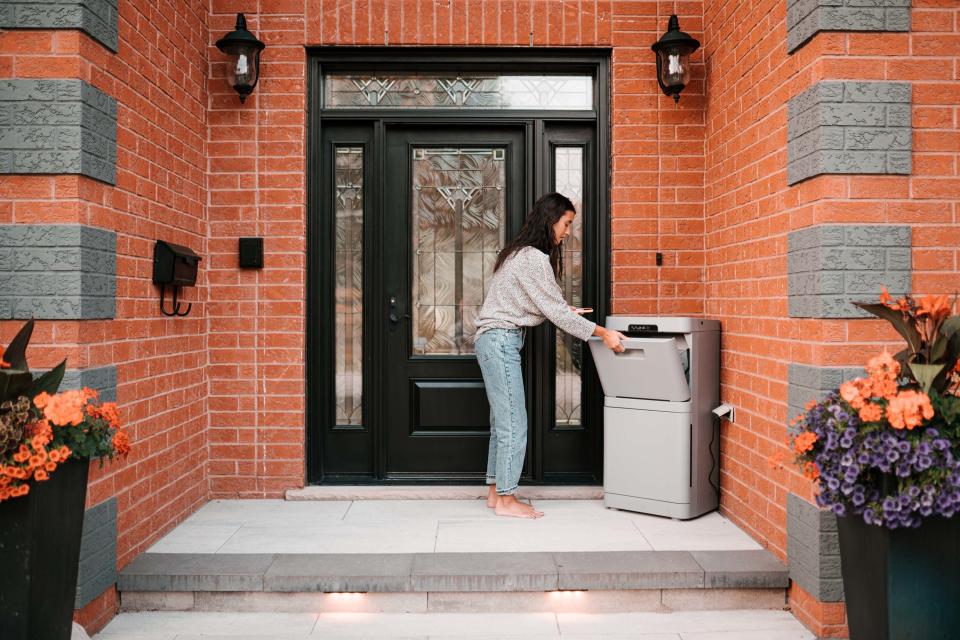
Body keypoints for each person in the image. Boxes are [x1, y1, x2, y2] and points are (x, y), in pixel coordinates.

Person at [474, 192, 627, 519]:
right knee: (514, 421)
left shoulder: (518, 253)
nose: (568, 231)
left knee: (502, 422)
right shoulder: (533, 258)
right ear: (551, 219)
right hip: (501, 340)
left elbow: (537, 304)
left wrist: (562, 310)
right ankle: (506, 499)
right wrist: (605, 334)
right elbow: (556, 313)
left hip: (492, 339)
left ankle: (494, 492)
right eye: (567, 223)